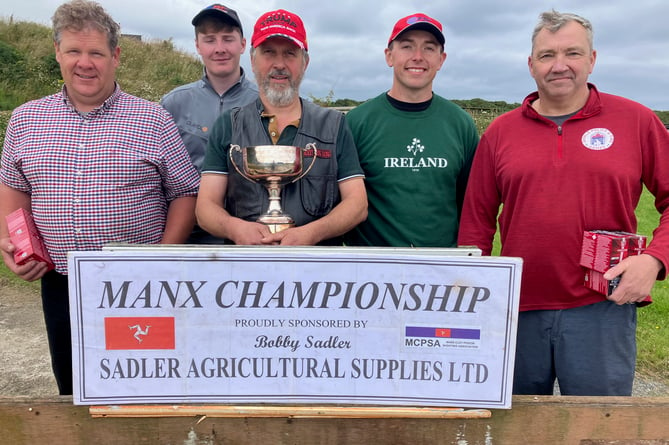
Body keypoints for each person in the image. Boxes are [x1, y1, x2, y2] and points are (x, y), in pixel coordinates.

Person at [457, 10, 669, 396]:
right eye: (546, 55)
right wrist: (475, 294)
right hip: (517, 308)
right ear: (530, 64)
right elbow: (477, 220)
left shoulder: (636, 121)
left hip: (603, 306)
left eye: (572, 53)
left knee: (598, 429)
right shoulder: (501, 132)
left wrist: (654, 259)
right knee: (515, 427)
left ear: (592, 59)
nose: (559, 66)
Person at [0, 0, 200, 395]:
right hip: (61, 283)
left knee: (142, 390)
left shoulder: (152, 119)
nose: (84, 63)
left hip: (136, 285)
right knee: (74, 389)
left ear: (116, 56)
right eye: (74, 51)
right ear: (57, 52)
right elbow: (13, 187)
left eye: (96, 52)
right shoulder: (25, 119)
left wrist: (162, 257)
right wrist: (10, 244)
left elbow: (184, 192)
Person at [196, 9, 367, 246]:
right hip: (246, 272)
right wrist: (234, 228)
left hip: (318, 274)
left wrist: (312, 233)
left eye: (289, 54)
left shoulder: (334, 124)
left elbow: (357, 205)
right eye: (268, 53)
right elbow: (205, 207)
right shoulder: (229, 124)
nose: (279, 64)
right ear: (253, 60)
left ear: (305, 62)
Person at [344, 13, 478, 248]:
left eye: (429, 48)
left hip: (442, 272)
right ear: (389, 56)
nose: (417, 57)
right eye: (407, 47)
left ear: (441, 59)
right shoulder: (356, 122)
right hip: (373, 273)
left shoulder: (460, 124)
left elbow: (470, 202)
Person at [161, 4, 257, 244]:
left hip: (252, 234)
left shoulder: (264, 102)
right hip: (189, 236)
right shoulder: (172, 104)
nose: (220, 49)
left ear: (243, 44)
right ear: (197, 46)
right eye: (210, 40)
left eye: (228, 39)